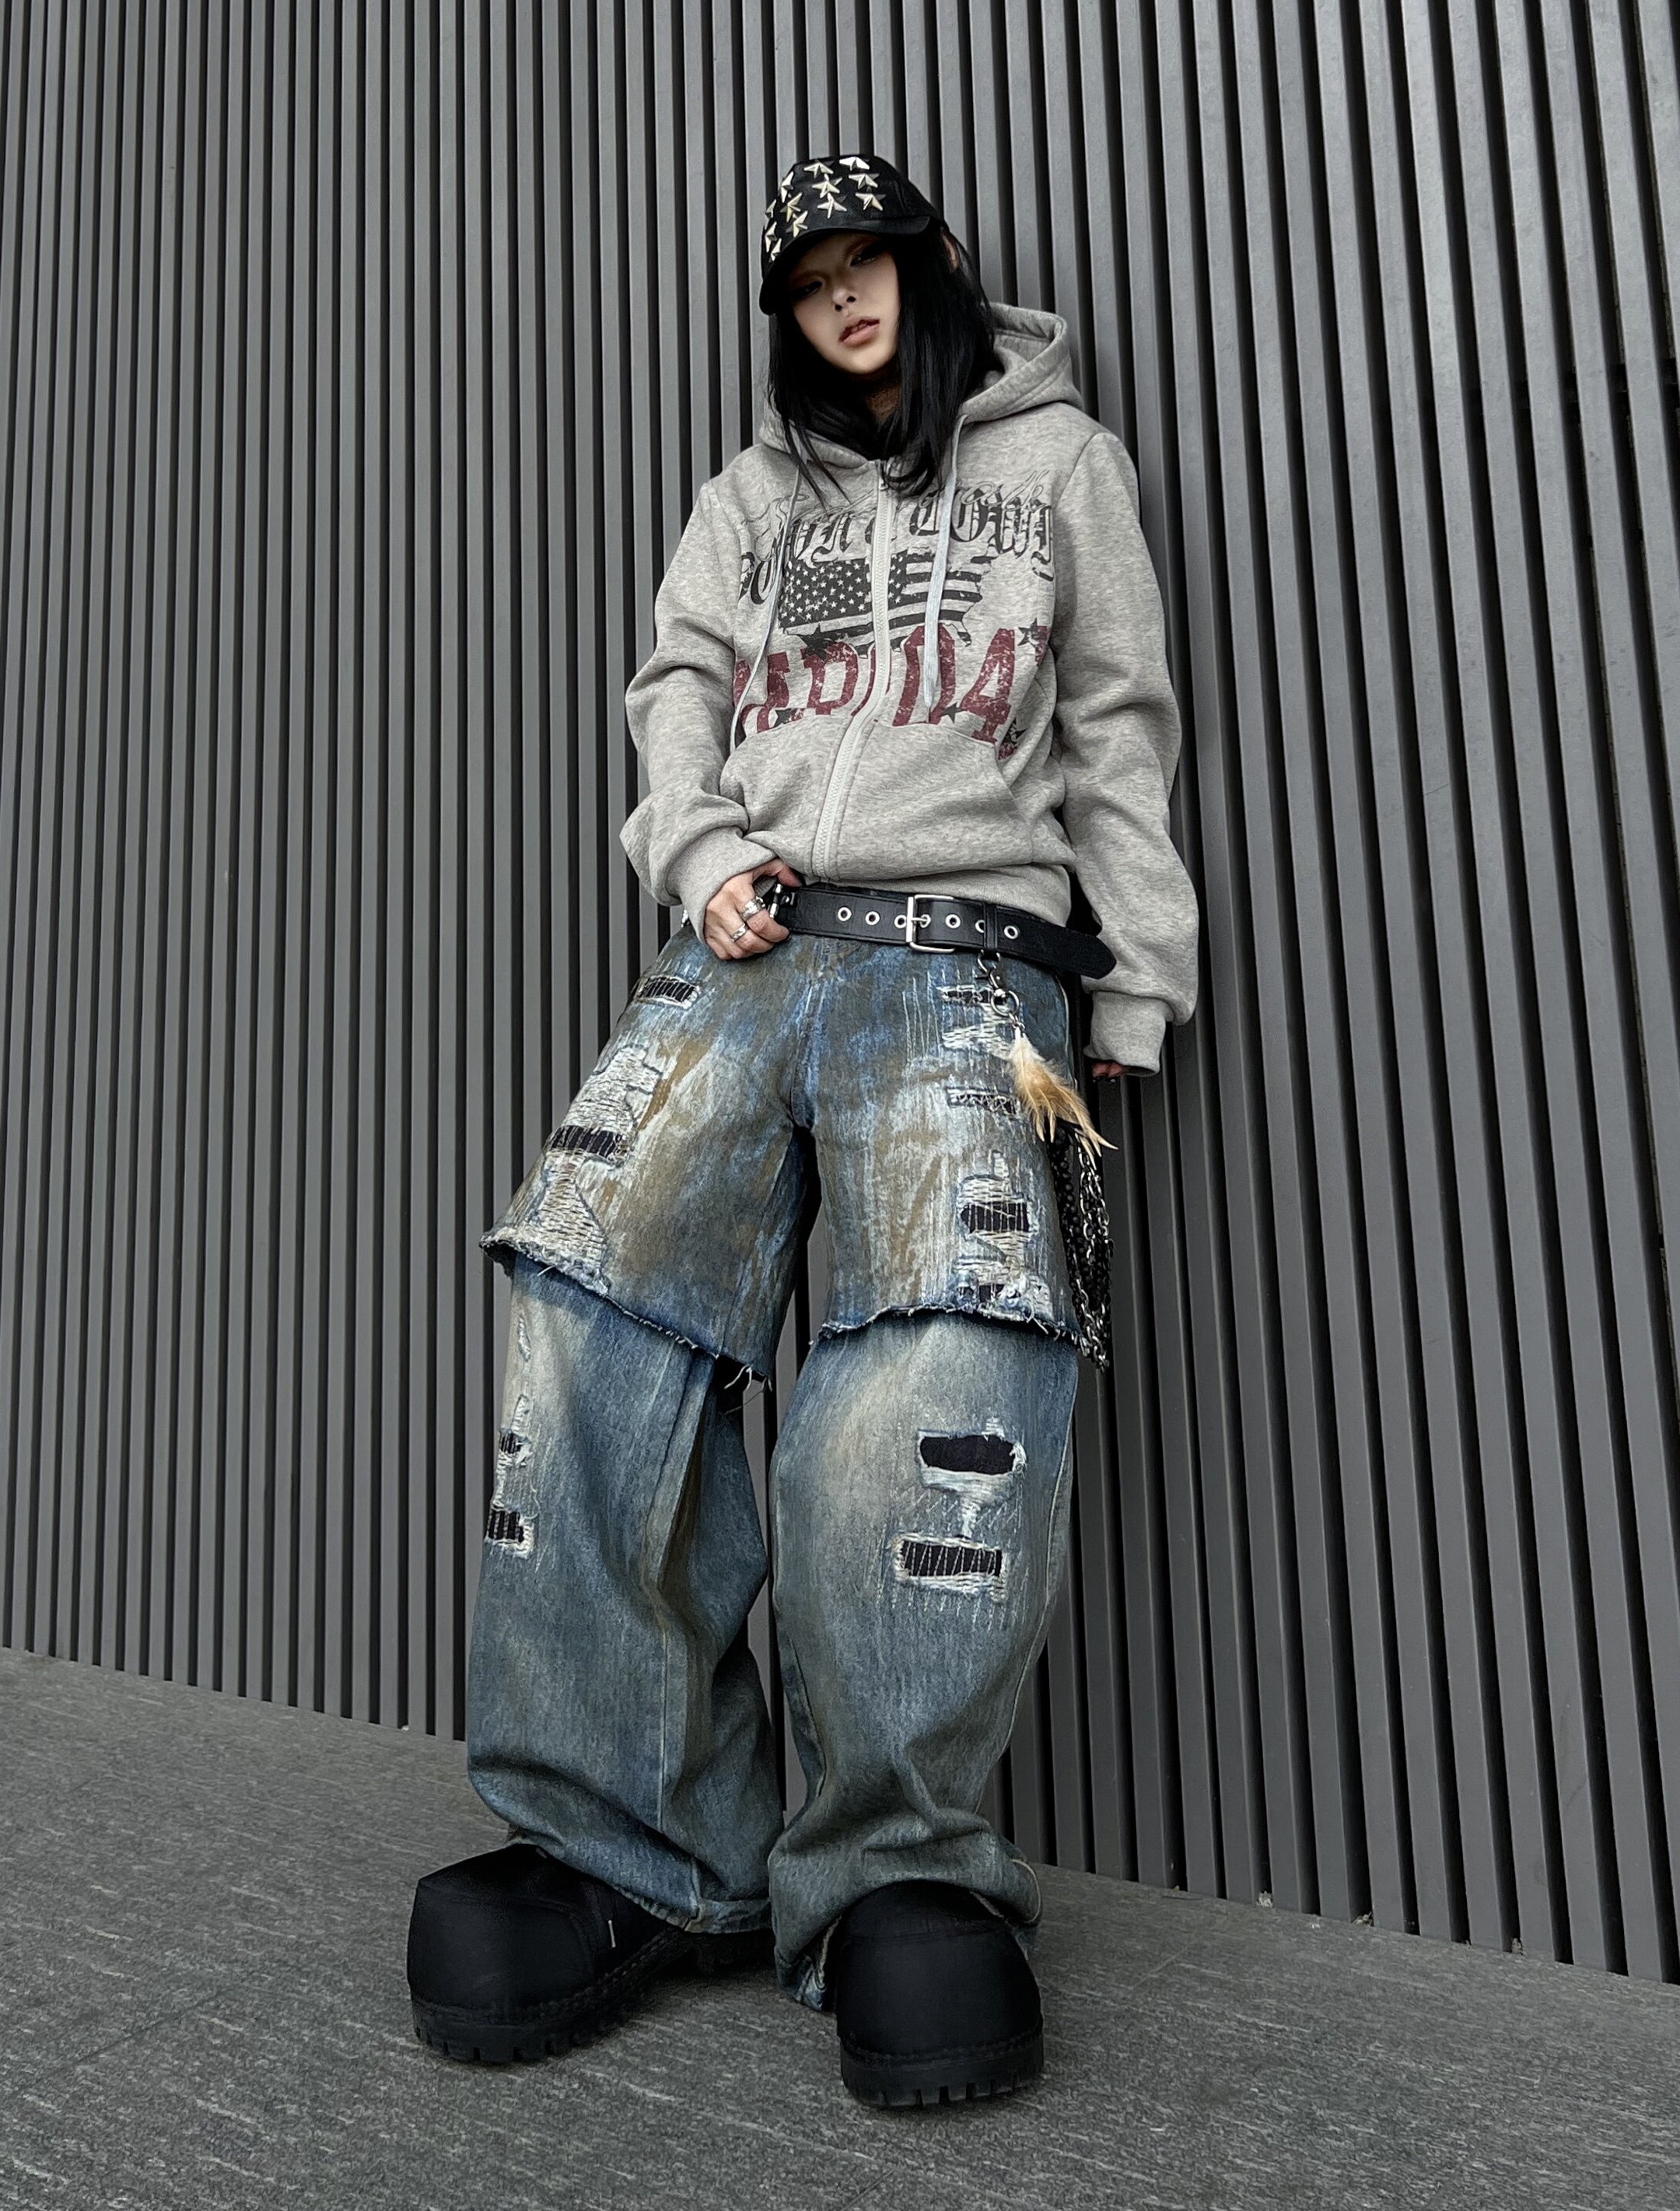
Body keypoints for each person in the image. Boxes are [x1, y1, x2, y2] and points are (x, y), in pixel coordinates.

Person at [404, 152, 1200, 2108]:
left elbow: (1117, 724)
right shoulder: (751, 500)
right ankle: (632, 1843)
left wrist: (1137, 980)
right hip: (740, 953)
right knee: (584, 1317)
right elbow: (673, 687)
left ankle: (893, 1867)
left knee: (932, 1375)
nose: (844, 303)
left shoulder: (1060, 467)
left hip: (967, 962)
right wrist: (692, 850)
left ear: (934, 271)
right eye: (809, 282)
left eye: (871, 267)